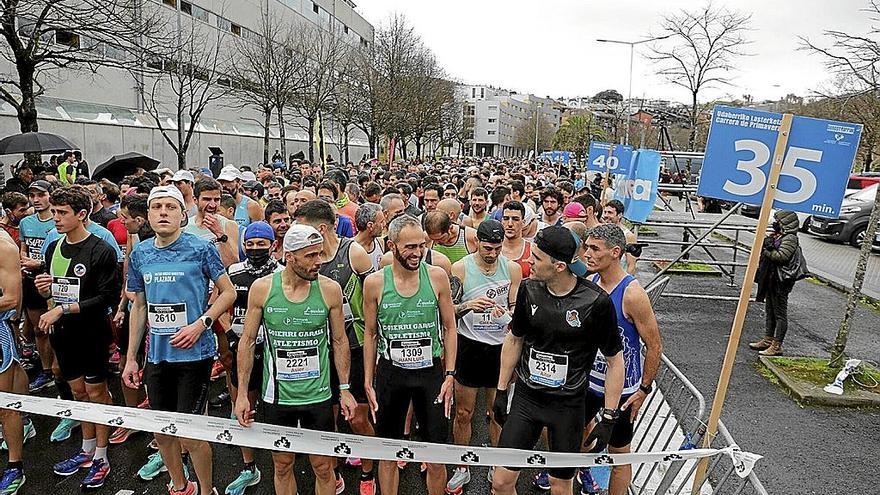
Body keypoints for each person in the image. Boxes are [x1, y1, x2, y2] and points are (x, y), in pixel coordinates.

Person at [491, 225, 625, 495]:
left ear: (560, 266)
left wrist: (609, 418)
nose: (530, 260)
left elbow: (615, 360)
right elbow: (515, 339)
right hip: (528, 400)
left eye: (537, 258)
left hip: (568, 406)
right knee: (501, 482)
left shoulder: (595, 302)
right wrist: (502, 390)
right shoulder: (529, 289)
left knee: (560, 485)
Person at [123, 185, 237, 495]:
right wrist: (132, 357)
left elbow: (229, 292)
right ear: (148, 214)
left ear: (181, 214)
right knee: (162, 432)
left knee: (191, 434)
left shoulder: (200, 248)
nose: (163, 212)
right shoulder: (141, 253)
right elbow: (140, 305)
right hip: (158, 356)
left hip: (194, 355)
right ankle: (179, 485)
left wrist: (202, 324)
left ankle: (206, 489)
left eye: (170, 207)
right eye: (156, 206)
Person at [234, 224, 357, 495]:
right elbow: (247, 341)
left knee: (324, 467)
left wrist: (345, 389)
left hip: (319, 396)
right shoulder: (263, 288)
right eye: (310, 256)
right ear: (289, 256)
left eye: (320, 254)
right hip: (277, 397)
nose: (318, 261)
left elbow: (339, 341)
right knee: (282, 465)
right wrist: (242, 393)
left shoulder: (330, 289)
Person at [362, 215, 457, 495]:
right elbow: (370, 333)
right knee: (389, 452)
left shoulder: (437, 276)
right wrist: (368, 380)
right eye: (410, 247)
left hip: (430, 375)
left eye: (421, 246)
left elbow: (450, 327)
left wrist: (450, 374)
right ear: (392, 246)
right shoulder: (375, 283)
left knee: (436, 454)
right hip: (392, 375)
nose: (417, 253)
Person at [36, 185, 121, 490]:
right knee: (77, 393)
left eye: (62, 213)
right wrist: (45, 289)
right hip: (63, 334)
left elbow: (107, 297)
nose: (55, 218)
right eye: (54, 212)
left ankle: (102, 456)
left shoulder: (102, 250)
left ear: (82, 215)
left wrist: (65, 309)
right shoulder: (54, 247)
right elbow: (53, 287)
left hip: (92, 332)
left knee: (97, 394)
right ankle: (86, 450)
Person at [294, 199, 377, 494]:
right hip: (317, 350)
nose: (295, 233)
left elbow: (374, 300)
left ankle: (368, 473)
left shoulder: (353, 252)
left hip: (353, 347)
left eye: (300, 227)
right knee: (327, 417)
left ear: (321, 228)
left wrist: (373, 348)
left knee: (357, 416)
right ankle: (334, 470)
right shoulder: (301, 259)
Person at [581, 224, 662, 495]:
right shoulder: (591, 283)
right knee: (575, 441)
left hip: (623, 392)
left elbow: (654, 346)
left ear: (615, 253)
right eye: (587, 247)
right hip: (589, 383)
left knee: (619, 455)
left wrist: (643, 390)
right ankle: (585, 477)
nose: (587, 254)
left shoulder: (632, 293)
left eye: (594, 249)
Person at [447, 219, 521, 495]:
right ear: (477, 242)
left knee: (496, 412)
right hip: (470, 347)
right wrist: (468, 304)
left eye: (497, 248)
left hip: (499, 349)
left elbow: (514, 307)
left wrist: (508, 316)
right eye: (487, 248)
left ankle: (495, 464)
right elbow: (449, 312)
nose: (492, 254)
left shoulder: (511, 268)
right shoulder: (461, 268)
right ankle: (462, 466)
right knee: (464, 413)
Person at [222, 222, 280, 495]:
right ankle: (249, 468)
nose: (255, 249)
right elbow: (218, 305)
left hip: (275, 352)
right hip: (243, 351)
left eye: (261, 244)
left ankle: (287, 458)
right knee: (243, 407)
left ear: (273, 245)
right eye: (250, 244)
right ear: (243, 246)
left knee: (280, 412)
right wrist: (231, 336)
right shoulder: (234, 273)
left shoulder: (282, 273)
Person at [18, 181, 58, 399]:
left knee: (56, 328)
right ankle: (46, 370)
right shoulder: (26, 222)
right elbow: (23, 248)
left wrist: (40, 264)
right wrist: (23, 261)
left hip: (51, 280)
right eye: (32, 195)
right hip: (31, 280)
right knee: (38, 329)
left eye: (41, 194)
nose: (36, 199)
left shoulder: (59, 220)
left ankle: (58, 368)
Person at [750, 210, 801, 357]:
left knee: (779, 314)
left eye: (777, 221)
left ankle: (777, 345)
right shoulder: (780, 236)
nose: (775, 223)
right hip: (771, 279)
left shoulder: (790, 238)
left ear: (785, 223)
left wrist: (767, 250)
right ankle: (768, 339)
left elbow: (781, 257)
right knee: (770, 311)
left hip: (780, 281)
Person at [0, 226, 28, 494]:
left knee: (4, 404)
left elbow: (11, 299)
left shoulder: (4, 247)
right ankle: (26, 417)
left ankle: (15, 467)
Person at [185, 177, 240, 267]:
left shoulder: (229, 225)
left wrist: (220, 234)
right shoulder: (185, 227)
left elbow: (232, 264)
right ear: (195, 200)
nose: (212, 205)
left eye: (216, 200)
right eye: (207, 199)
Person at [601, 200, 639, 276]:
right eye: (605, 212)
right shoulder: (602, 231)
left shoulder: (628, 236)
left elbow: (631, 265)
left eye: (610, 213)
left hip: (619, 278)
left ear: (620, 215)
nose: (606, 215)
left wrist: (625, 284)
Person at [499, 201, 531, 278]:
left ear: (523, 222)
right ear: (501, 221)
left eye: (515, 219)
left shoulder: (532, 251)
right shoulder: (491, 249)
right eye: (506, 218)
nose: (510, 224)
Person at [354, 202, 386, 272]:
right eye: (381, 222)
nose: (384, 224)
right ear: (370, 226)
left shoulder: (380, 242)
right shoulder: (351, 248)